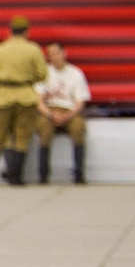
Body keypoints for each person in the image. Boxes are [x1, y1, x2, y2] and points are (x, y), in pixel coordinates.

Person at [0, 18, 45, 186]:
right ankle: (16, 176)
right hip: (26, 95)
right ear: (26, 31)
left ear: (10, 31)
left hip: (4, 95)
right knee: (22, 136)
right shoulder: (33, 49)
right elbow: (42, 74)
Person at [35, 41, 90, 184]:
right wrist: (49, 114)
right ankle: (43, 174)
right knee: (44, 129)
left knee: (78, 128)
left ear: (64, 53)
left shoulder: (75, 73)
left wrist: (68, 115)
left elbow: (80, 102)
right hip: (49, 109)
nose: (53, 57)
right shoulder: (43, 73)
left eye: (56, 53)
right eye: (50, 55)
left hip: (69, 110)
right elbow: (38, 101)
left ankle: (79, 173)